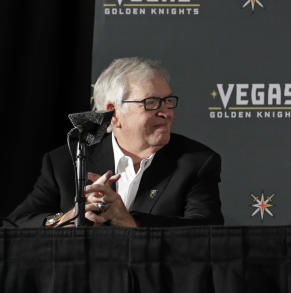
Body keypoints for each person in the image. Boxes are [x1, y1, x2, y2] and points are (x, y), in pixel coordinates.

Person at [11, 58, 224, 227]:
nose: (166, 113)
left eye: (168, 101)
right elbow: (14, 225)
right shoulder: (65, 161)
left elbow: (206, 233)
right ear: (113, 113)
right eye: (151, 103)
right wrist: (65, 219)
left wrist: (129, 220)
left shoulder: (196, 162)